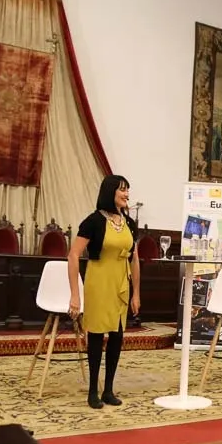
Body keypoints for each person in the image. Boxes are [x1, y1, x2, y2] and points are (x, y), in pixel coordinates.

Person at [68, 175, 140, 410]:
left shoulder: (129, 223)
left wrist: (136, 293)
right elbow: (73, 255)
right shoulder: (93, 221)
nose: (127, 194)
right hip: (99, 282)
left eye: (128, 190)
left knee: (117, 336)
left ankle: (108, 389)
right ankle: (92, 391)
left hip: (121, 284)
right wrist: (75, 294)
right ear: (110, 192)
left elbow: (134, 259)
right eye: (122, 189)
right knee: (97, 335)